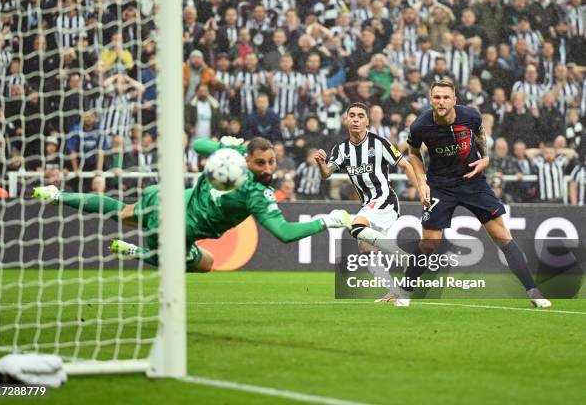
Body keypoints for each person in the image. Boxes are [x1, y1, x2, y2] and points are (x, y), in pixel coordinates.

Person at [32, 136, 351, 272]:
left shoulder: (232, 158)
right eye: (261, 163)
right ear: (249, 160)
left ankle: (58, 195)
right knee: (205, 263)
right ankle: (138, 252)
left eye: (271, 162)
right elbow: (282, 232)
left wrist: (225, 144)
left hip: (165, 197)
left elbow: (198, 144)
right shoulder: (257, 193)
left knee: (122, 211)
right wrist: (327, 220)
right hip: (175, 229)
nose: (268, 169)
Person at [401, 79, 551, 308]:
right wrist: (421, 182)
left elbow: (480, 137)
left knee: (501, 236)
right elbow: (413, 153)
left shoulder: (471, 116)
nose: (441, 102)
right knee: (430, 243)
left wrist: (486, 158)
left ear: (454, 100)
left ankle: (533, 292)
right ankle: (404, 292)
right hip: (440, 184)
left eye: (445, 97)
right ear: (430, 100)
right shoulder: (420, 126)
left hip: (472, 181)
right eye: (436, 97)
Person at [314, 102, 422, 303]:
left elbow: (406, 166)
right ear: (346, 120)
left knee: (356, 226)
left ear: (367, 121)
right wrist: (321, 164)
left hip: (385, 199)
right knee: (365, 248)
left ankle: (406, 258)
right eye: (352, 115)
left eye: (360, 116)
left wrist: (422, 192)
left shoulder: (379, 143)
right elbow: (327, 174)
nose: (356, 119)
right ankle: (395, 291)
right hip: (368, 203)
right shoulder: (342, 149)